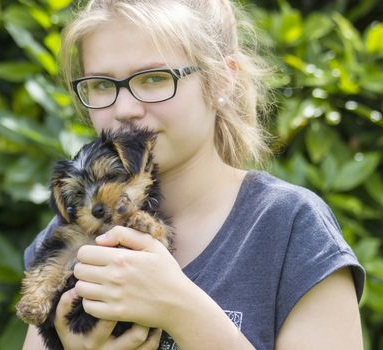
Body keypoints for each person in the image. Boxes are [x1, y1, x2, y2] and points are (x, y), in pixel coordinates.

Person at [22, 0, 365, 349]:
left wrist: (179, 307)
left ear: (221, 80)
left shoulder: (288, 228)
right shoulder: (72, 232)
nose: (124, 109)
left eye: (155, 78)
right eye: (101, 85)